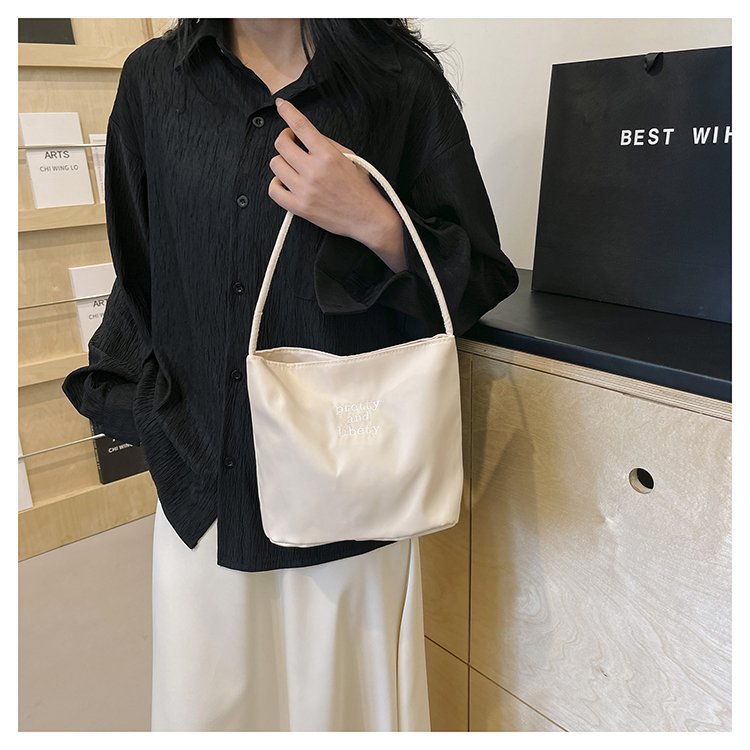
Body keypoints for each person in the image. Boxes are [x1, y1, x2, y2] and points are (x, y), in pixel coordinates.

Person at [61, 17, 519, 731]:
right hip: (204, 484)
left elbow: (478, 276)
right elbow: (143, 278)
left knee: (346, 717)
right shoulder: (154, 81)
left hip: (349, 490)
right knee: (209, 716)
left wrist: (376, 223)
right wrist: (157, 417)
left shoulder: (397, 79)